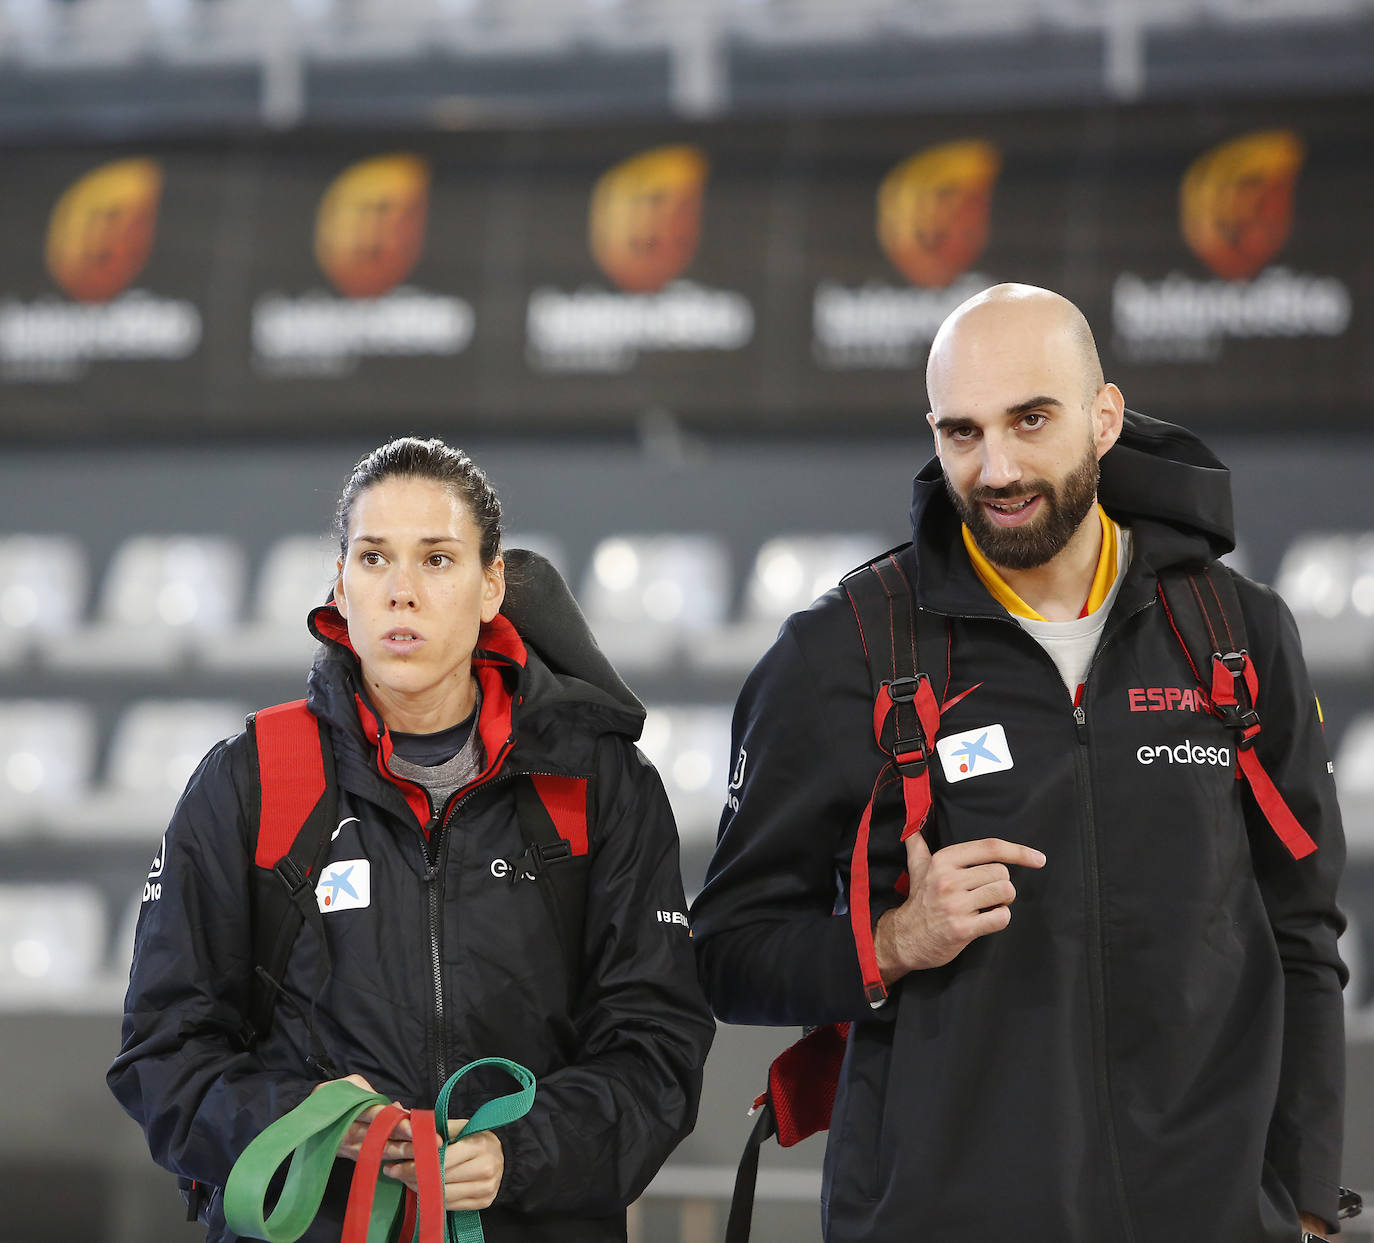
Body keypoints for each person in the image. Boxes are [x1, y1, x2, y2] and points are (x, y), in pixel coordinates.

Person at [691, 284, 1349, 1241]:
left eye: (1030, 420)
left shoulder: (1237, 634)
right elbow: (724, 949)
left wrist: (1306, 1205)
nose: (997, 466)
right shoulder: (842, 652)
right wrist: (892, 941)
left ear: (1104, 416)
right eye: (963, 433)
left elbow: (1302, 935)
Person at [110, 437, 714, 1242]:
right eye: (373, 558)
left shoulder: (598, 783)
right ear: (340, 584)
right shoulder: (253, 780)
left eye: (437, 559)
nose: (401, 591)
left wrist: (517, 1152)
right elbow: (162, 1054)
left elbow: (657, 1048)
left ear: (492, 583)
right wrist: (312, 1125)